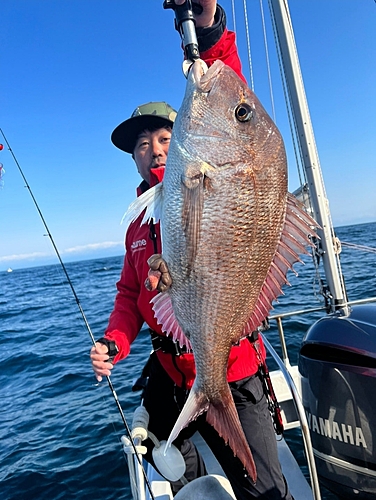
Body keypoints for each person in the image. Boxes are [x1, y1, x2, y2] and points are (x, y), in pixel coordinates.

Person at [90, 1, 292, 499]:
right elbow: (130, 292)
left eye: (163, 135)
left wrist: (207, 23)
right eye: (142, 144)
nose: (155, 149)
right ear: (134, 157)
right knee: (159, 454)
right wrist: (115, 342)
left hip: (232, 365)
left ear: (181, 135)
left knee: (266, 490)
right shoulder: (137, 221)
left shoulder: (208, 173)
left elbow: (231, 94)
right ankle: (192, 456)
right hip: (168, 370)